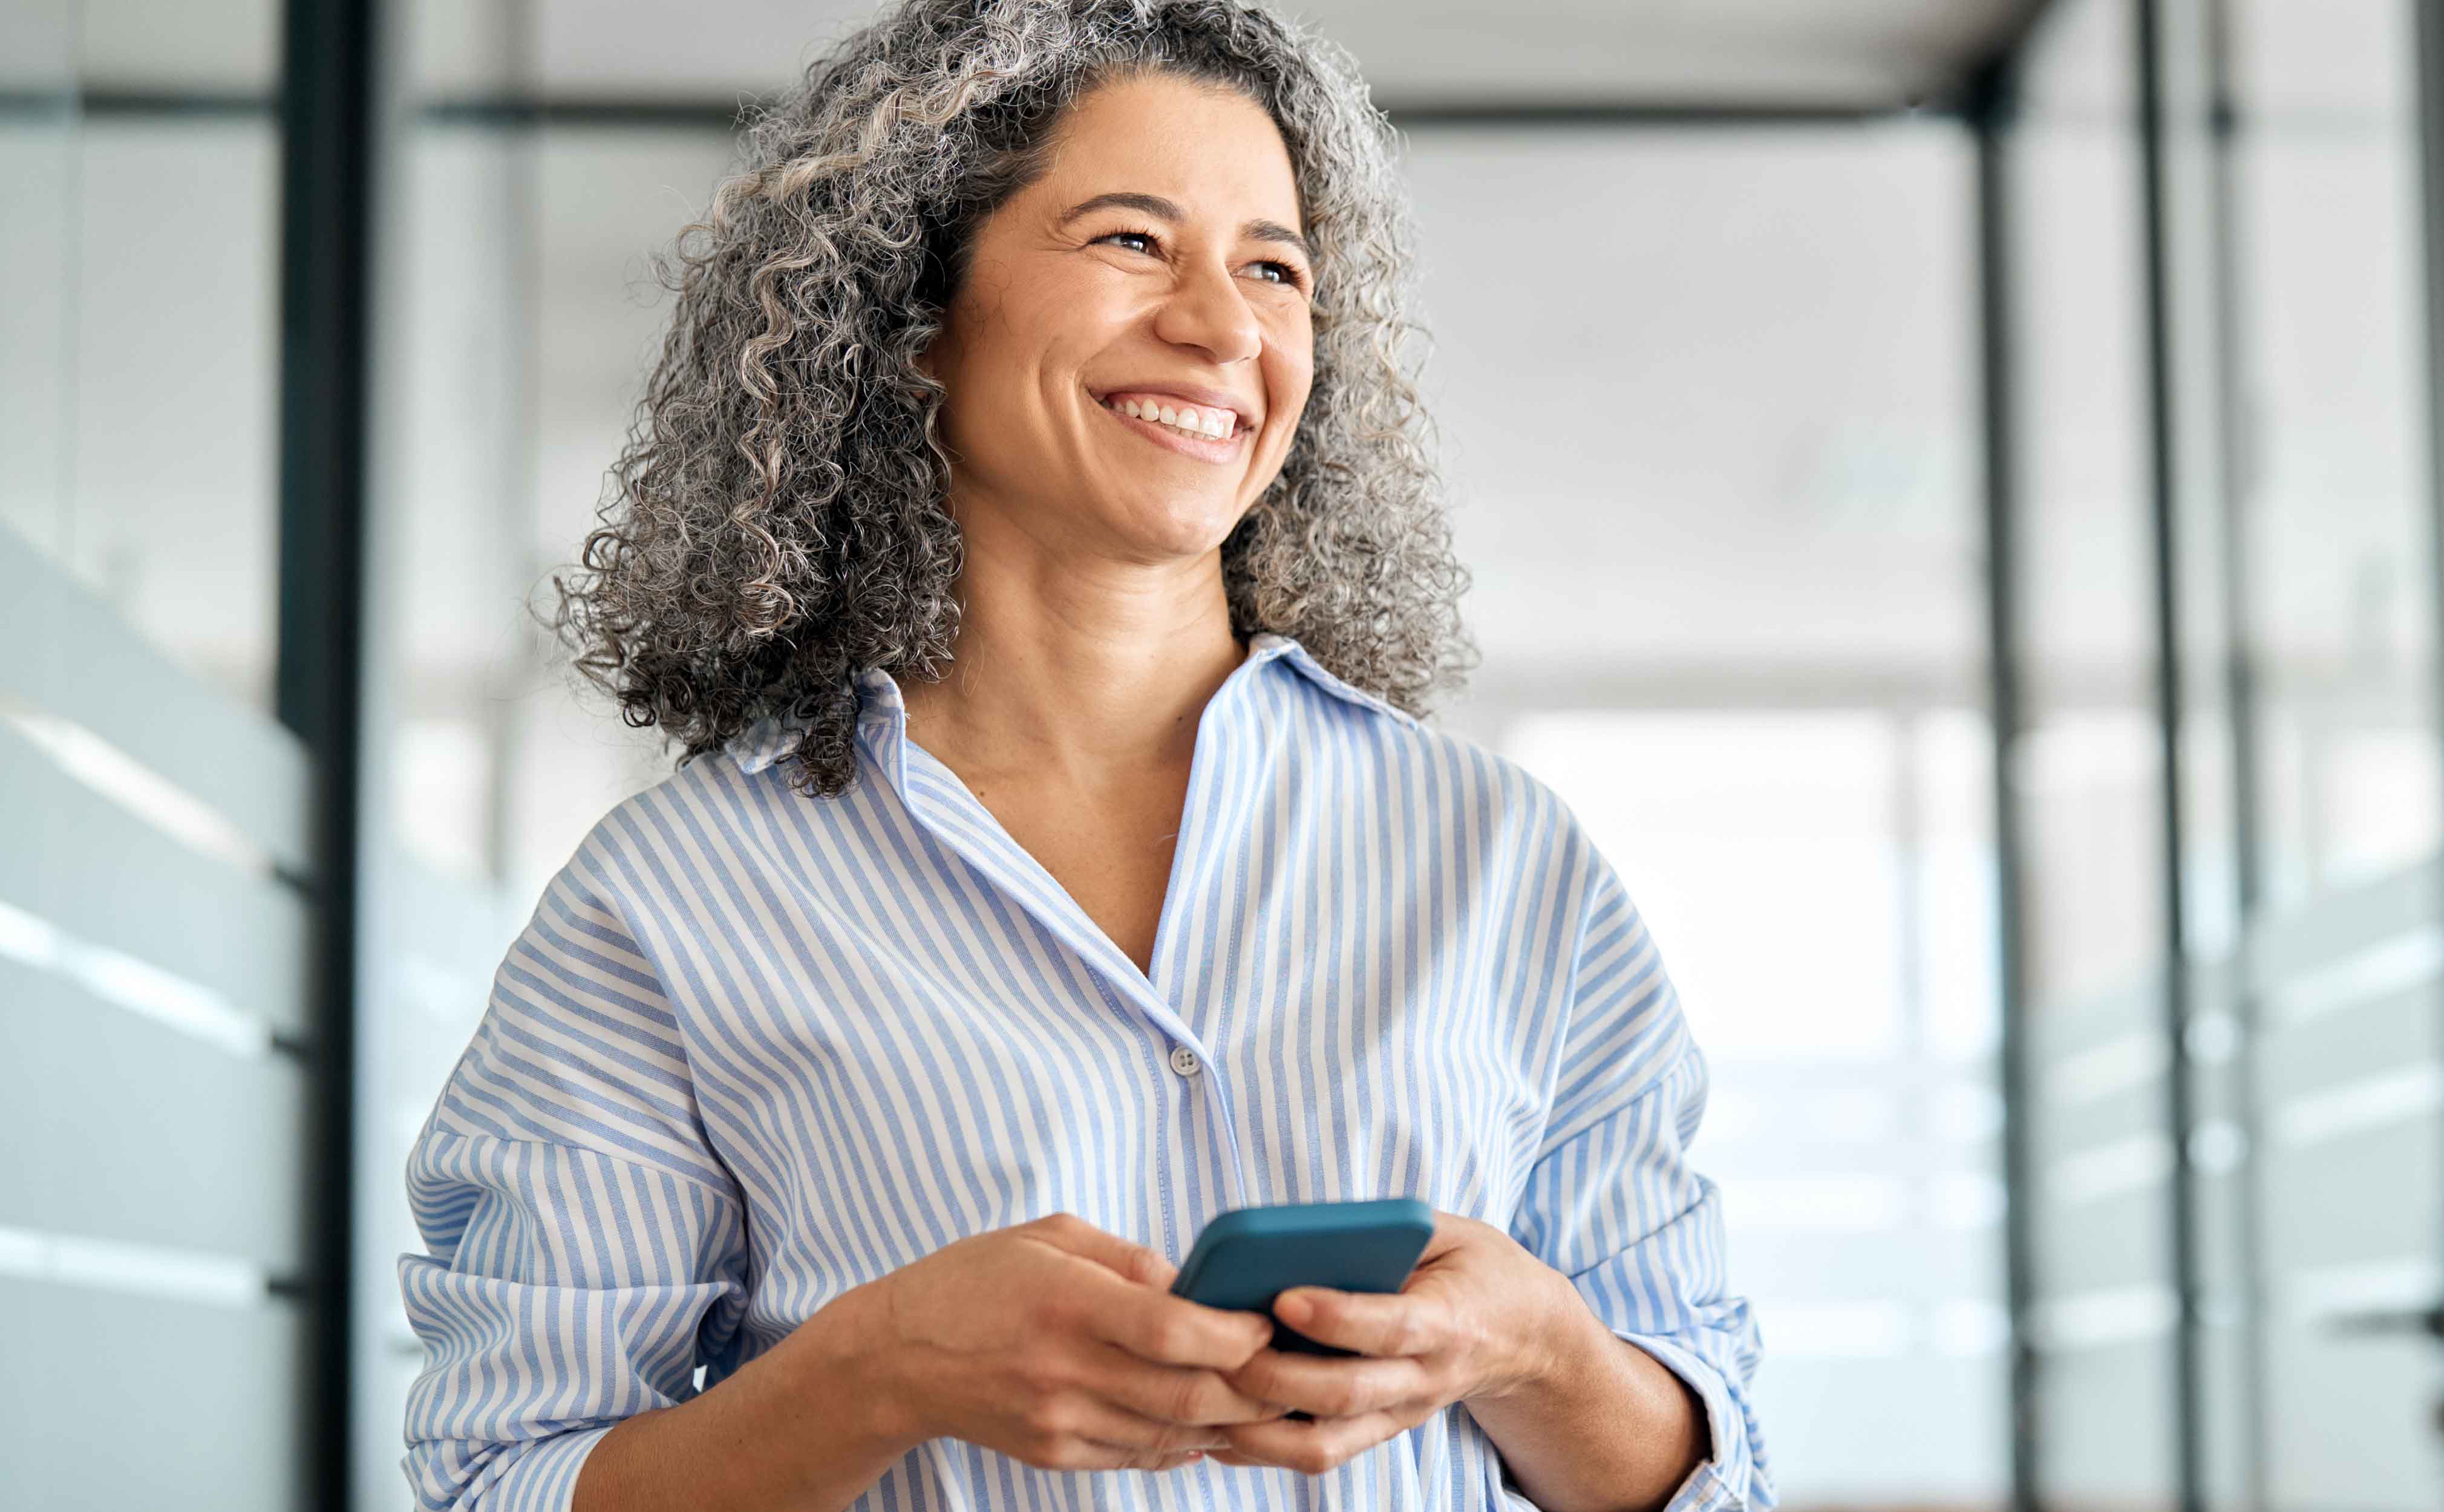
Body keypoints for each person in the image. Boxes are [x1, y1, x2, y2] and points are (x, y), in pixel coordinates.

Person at [391, 3, 1766, 1509]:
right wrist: (886, 1363)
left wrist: (1541, 1353)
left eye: (1274, 268)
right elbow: (501, 1479)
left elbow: (1718, 1472)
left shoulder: (1504, 857)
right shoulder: (667, 903)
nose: (1226, 328)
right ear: (909, 316)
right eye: (1129, 240)